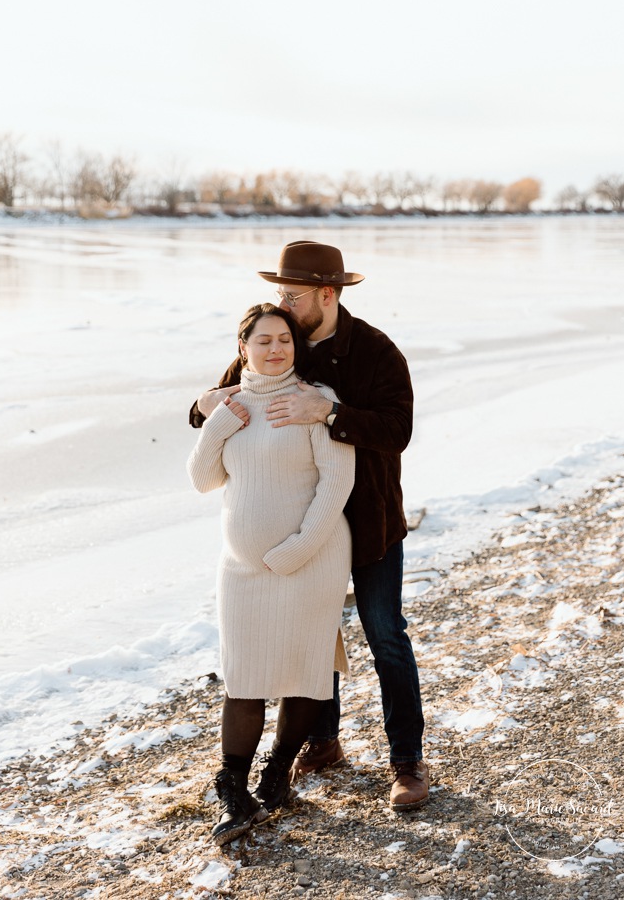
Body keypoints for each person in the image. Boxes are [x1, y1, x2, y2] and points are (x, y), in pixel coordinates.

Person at [190, 241, 428, 812]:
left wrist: (330, 413)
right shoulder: (279, 335)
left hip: (365, 517)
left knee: (384, 635)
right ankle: (322, 741)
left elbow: (397, 430)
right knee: (314, 635)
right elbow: (224, 396)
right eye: (279, 294)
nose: (282, 305)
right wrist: (203, 407)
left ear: (327, 293)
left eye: (291, 296)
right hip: (288, 519)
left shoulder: (375, 351)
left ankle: (406, 761)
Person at [187, 302, 355, 844]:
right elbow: (202, 479)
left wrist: (297, 550)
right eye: (263, 341)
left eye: (284, 339)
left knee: (304, 670)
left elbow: (336, 484)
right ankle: (234, 791)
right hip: (241, 569)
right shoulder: (230, 404)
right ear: (244, 349)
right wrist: (216, 425)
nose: (275, 349)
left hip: (311, 561)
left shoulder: (315, 401)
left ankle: (277, 775)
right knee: (243, 678)